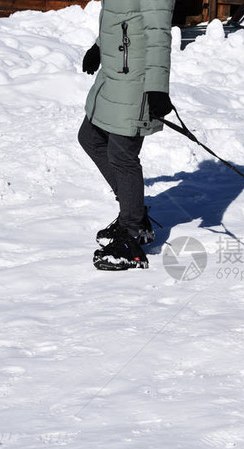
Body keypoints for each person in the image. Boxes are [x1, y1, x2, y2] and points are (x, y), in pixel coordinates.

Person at [78, 0, 175, 271]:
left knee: (122, 156)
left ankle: (132, 233)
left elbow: (158, 34)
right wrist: (99, 46)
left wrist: (157, 88)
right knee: (90, 137)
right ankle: (134, 214)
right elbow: (121, 17)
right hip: (115, 74)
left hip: (137, 82)